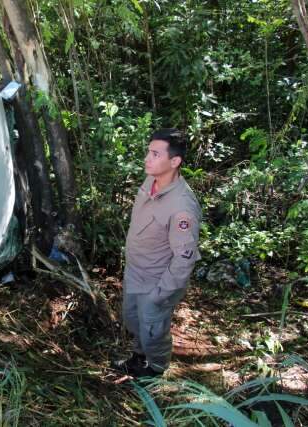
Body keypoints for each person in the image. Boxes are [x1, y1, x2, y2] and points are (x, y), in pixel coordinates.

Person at [112, 128, 201, 377]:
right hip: (135, 273)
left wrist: (160, 294)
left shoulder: (182, 206)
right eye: (148, 152)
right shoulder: (151, 181)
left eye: (155, 154)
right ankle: (139, 359)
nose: (147, 159)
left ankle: (156, 372)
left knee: (153, 330)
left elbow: (184, 258)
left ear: (174, 162)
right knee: (134, 321)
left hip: (157, 282)